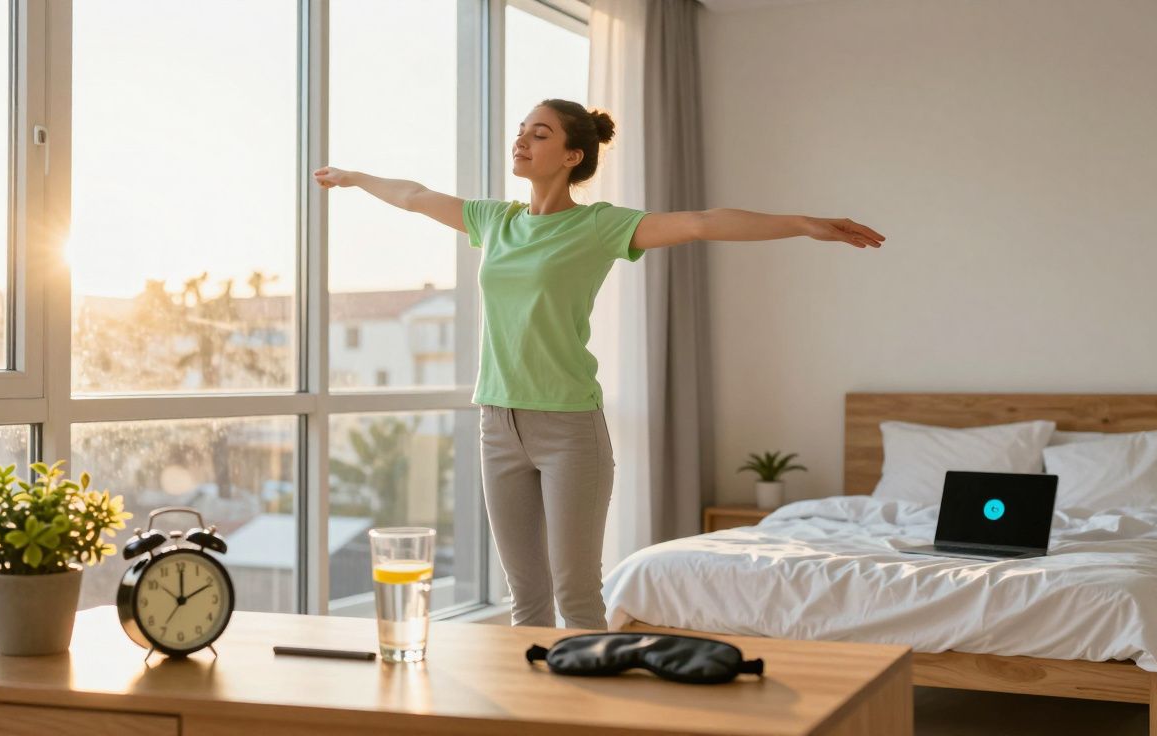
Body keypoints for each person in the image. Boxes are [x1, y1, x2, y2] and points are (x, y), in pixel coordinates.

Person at [313, 98, 884, 630]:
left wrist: (803, 223)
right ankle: (533, 708)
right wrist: (357, 178)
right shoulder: (496, 221)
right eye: (521, 131)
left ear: (571, 156)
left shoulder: (597, 225)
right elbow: (414, 195)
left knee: (576, 592)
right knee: (526, 595)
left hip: (568, 428)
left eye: (540, 134)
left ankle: (589, 706)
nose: (522, 140)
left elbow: (702, 222)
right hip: (497, 423)